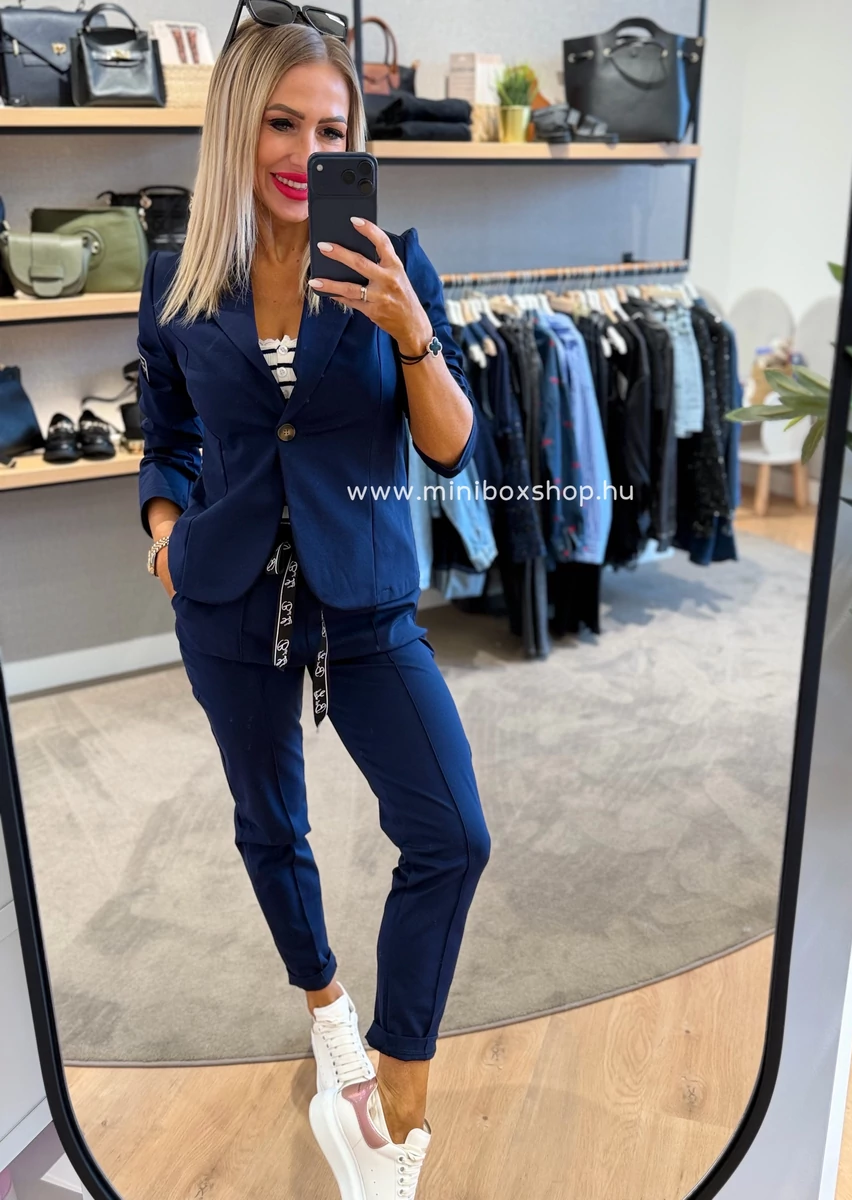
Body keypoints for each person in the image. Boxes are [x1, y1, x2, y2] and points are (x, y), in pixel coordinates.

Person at [136, 11, 492, 1198]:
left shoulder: (395, 260)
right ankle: (326, 1005)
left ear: (355, 140)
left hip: (364, 593)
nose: (305, 151)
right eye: (281, 123)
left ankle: (400, 1083)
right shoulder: (181, 273)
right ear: (237, 128)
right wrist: (164, 526)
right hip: (226, 595)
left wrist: (413, 335)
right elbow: (168, 428)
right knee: (270, 821)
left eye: (331, 130)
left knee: (452, 834)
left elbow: (451, 448)